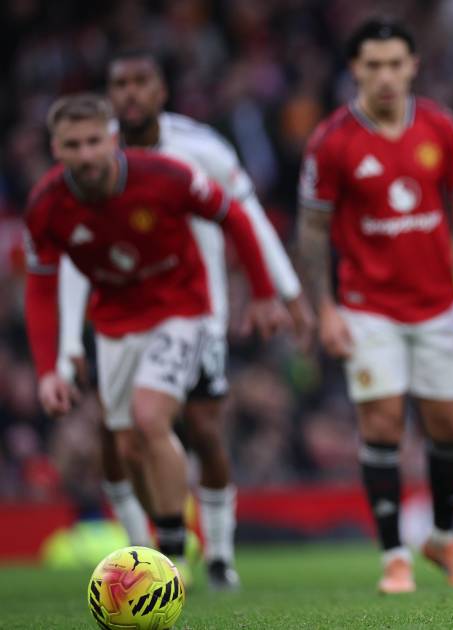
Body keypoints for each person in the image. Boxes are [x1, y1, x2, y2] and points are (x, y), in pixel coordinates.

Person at [54, 51, 314, 590]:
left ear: (162, 91)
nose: (129, 94)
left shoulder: (201, 150)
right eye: (118, 83)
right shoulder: (91, 162)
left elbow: (248, 218)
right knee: (122, 440)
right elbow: (73, 251)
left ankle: (217, 555)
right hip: (122, 313)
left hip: (198, 313)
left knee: (202, 428)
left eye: (140, 82)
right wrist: (66, 334)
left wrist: (285, 291)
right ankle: (153, 547)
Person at [296, 19, 453, 594]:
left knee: (449, 425)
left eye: (394, 64)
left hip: (437, 304)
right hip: (366, 305)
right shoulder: (332, 140)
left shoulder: (438, 125)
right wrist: (324, 308)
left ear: (412, 66)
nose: (384, 76)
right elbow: (312, 229)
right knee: (381, 422)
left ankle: (444, 539)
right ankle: (393, 557)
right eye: (372, 65)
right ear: (355, 69)